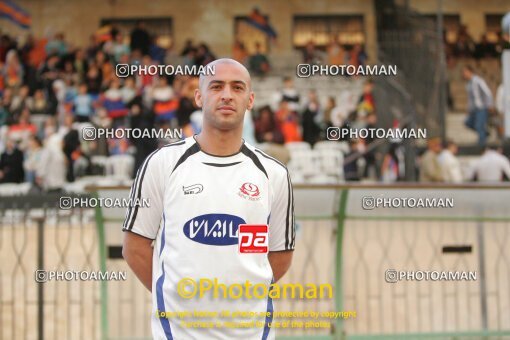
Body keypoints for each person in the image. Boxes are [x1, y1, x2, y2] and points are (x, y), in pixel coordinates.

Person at [122, 58, 295, 340]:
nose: (226, 94)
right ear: (199, 96)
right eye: (216, 86)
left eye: (237, 87)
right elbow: (135, 247)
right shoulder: (162, 164)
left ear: (250, 100)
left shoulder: (273, 173)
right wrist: (178, 298)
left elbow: (280, 254)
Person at [462, 65, 494, 147]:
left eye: (465, 72)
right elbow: (470, 98)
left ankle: (481, 145)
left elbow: (487, 93)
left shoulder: (478, 81)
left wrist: (489, 104)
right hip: (474, 109)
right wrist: (469, 109)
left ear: (470, 72)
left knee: (479, 125)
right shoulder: (468, 84)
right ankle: (485, 133)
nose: (464, 74)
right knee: (468, 122)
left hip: (481, 108)